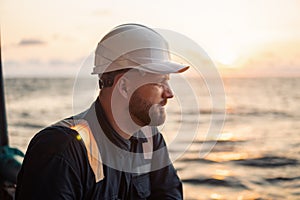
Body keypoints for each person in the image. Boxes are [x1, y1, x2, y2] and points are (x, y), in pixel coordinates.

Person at [16, 23, 189, 200]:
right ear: (124, 86)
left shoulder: (150, 141)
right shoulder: (62, 150)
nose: (169, 93)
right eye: (160, 82)